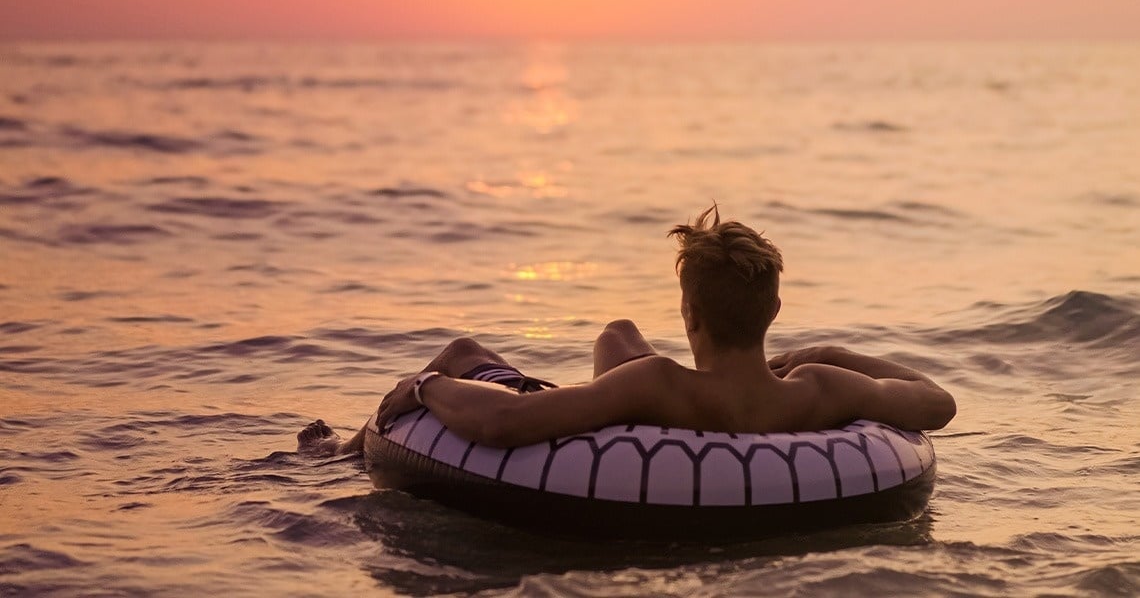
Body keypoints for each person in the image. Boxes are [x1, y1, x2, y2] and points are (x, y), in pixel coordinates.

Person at [297, 205, 956, 456]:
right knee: (616, 334)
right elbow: (935, 400)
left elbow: (501, 426)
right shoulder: (819, 389)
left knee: (468, 352)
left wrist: (425, 385)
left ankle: (347, 450)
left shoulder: (659, 386)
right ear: (774, 314)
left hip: (657, 414)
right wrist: (827, 351)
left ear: (690, 315)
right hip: (749, 392)